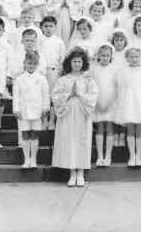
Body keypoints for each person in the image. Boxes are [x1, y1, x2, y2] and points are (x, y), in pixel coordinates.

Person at [51, 47, 99, 186]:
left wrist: (81, 95)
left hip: (83, 112)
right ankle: (72, 173)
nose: (77, 64)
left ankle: (81, 173)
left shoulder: (87, 79)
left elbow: (94, 94)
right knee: (70, 141)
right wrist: (68, 95)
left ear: (83, 63)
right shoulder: (64, 79)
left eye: (79, 61)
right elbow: (55, 96)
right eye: (74, 61)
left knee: (82, 140)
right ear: (69, 63)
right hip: (67, 113)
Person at [115, 47, 141, 167]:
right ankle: (132, 155)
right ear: (127, 58)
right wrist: (121, 103)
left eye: (136, 57)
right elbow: (120, 88)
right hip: (128, 101)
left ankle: (139, 155)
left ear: (140, 58)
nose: (134, 59)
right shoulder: (122, 71)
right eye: (131, 57)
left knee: (139, 129)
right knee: (131, 128)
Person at [13, 50, 49, 169]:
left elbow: (45, 95)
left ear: (37, 64)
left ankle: (33, 159)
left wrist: (45, 108)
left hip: (37, 110)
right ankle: (26, 159)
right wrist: (16, 109)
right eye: (29, 63)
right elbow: (16, 96)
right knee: (24, 134)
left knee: (34, 134)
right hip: (23, 111)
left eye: (34, 64)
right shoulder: (19, 79)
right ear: (24, 63)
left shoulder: (42, 79)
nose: (31, 66)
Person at [91, 44, 118, 167]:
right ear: (98, 56)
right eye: (102, 55)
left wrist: (109, 102)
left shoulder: (114, 69)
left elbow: (116, 88)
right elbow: (92, 87)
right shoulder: (94, 69)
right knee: (100, 128)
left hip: (111, 102)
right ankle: (100, 156)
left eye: (107, 56)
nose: (105, 58)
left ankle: (108, 156)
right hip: (98, 102)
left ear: (111, 56)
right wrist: (97, 101)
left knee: (110, 128)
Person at [38, 16, 66, 130]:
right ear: (42, 27)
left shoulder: (59, 41)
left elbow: (62, 58)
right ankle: (44, 120)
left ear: (55, 27)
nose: (48, 29)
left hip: (54, 72)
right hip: (42, 72)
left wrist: (60, 72)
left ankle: (51, 121)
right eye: (46, 26)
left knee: (53, 97)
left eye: (51, 26)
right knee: (42, 97)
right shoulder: (39, 40)